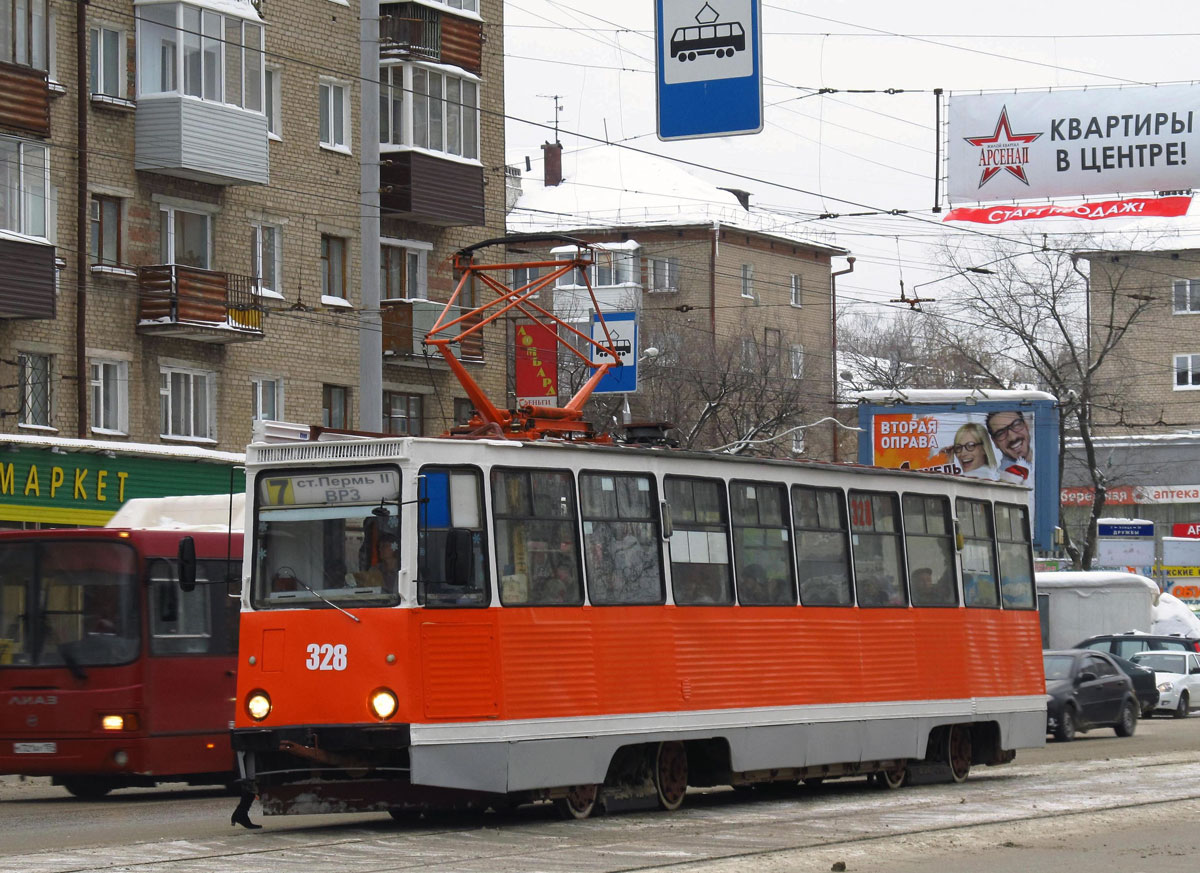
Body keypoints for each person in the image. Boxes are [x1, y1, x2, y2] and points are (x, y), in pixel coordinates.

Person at [986, 410, 1033, 484]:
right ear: (995, 442)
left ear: (1026, 426)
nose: (1012, 437)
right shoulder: (1003, 480)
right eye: (1001, 433)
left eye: (1016, 425)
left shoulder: (1052, 456)